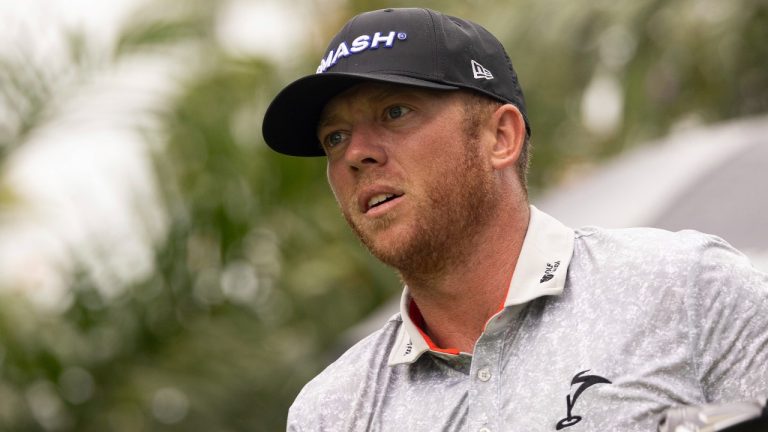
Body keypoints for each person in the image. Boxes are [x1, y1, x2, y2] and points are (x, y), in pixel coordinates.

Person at [261, 7, 768, 432]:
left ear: (500, 137)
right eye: (335, 138)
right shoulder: (330, 412)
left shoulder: (688, 288)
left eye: (396, 112)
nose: (356, 155)